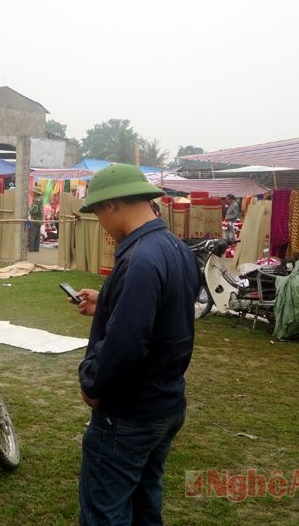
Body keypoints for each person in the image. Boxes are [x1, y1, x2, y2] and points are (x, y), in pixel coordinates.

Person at [74, 163, 197, 525]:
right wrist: (109, 303)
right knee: (145, 506)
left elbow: (127, 345)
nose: (100, 222)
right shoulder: (174, 247)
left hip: (129, 412)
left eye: (97, 211)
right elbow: (168, 316)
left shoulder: (140, 257)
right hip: (165, 402)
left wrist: (95, 387)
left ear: (112, 204)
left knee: (105, 514)